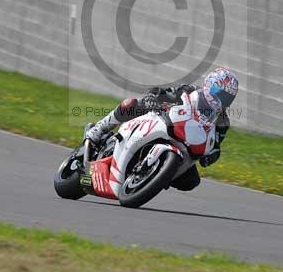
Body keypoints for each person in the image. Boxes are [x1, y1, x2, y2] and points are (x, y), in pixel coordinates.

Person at [84, 68, 239, 191]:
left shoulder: (222, 121)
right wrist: (152, 97)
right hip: (163, 120)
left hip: (185, 145)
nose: (222, 100)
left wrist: (210, 156)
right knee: (132, 105)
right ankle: (99, 129)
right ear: (209, 86)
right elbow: (163, 92)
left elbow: (216, 147)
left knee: (191, 182)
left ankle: (155, 175)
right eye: (220, 94)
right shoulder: (190, 90)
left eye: (227, 98)